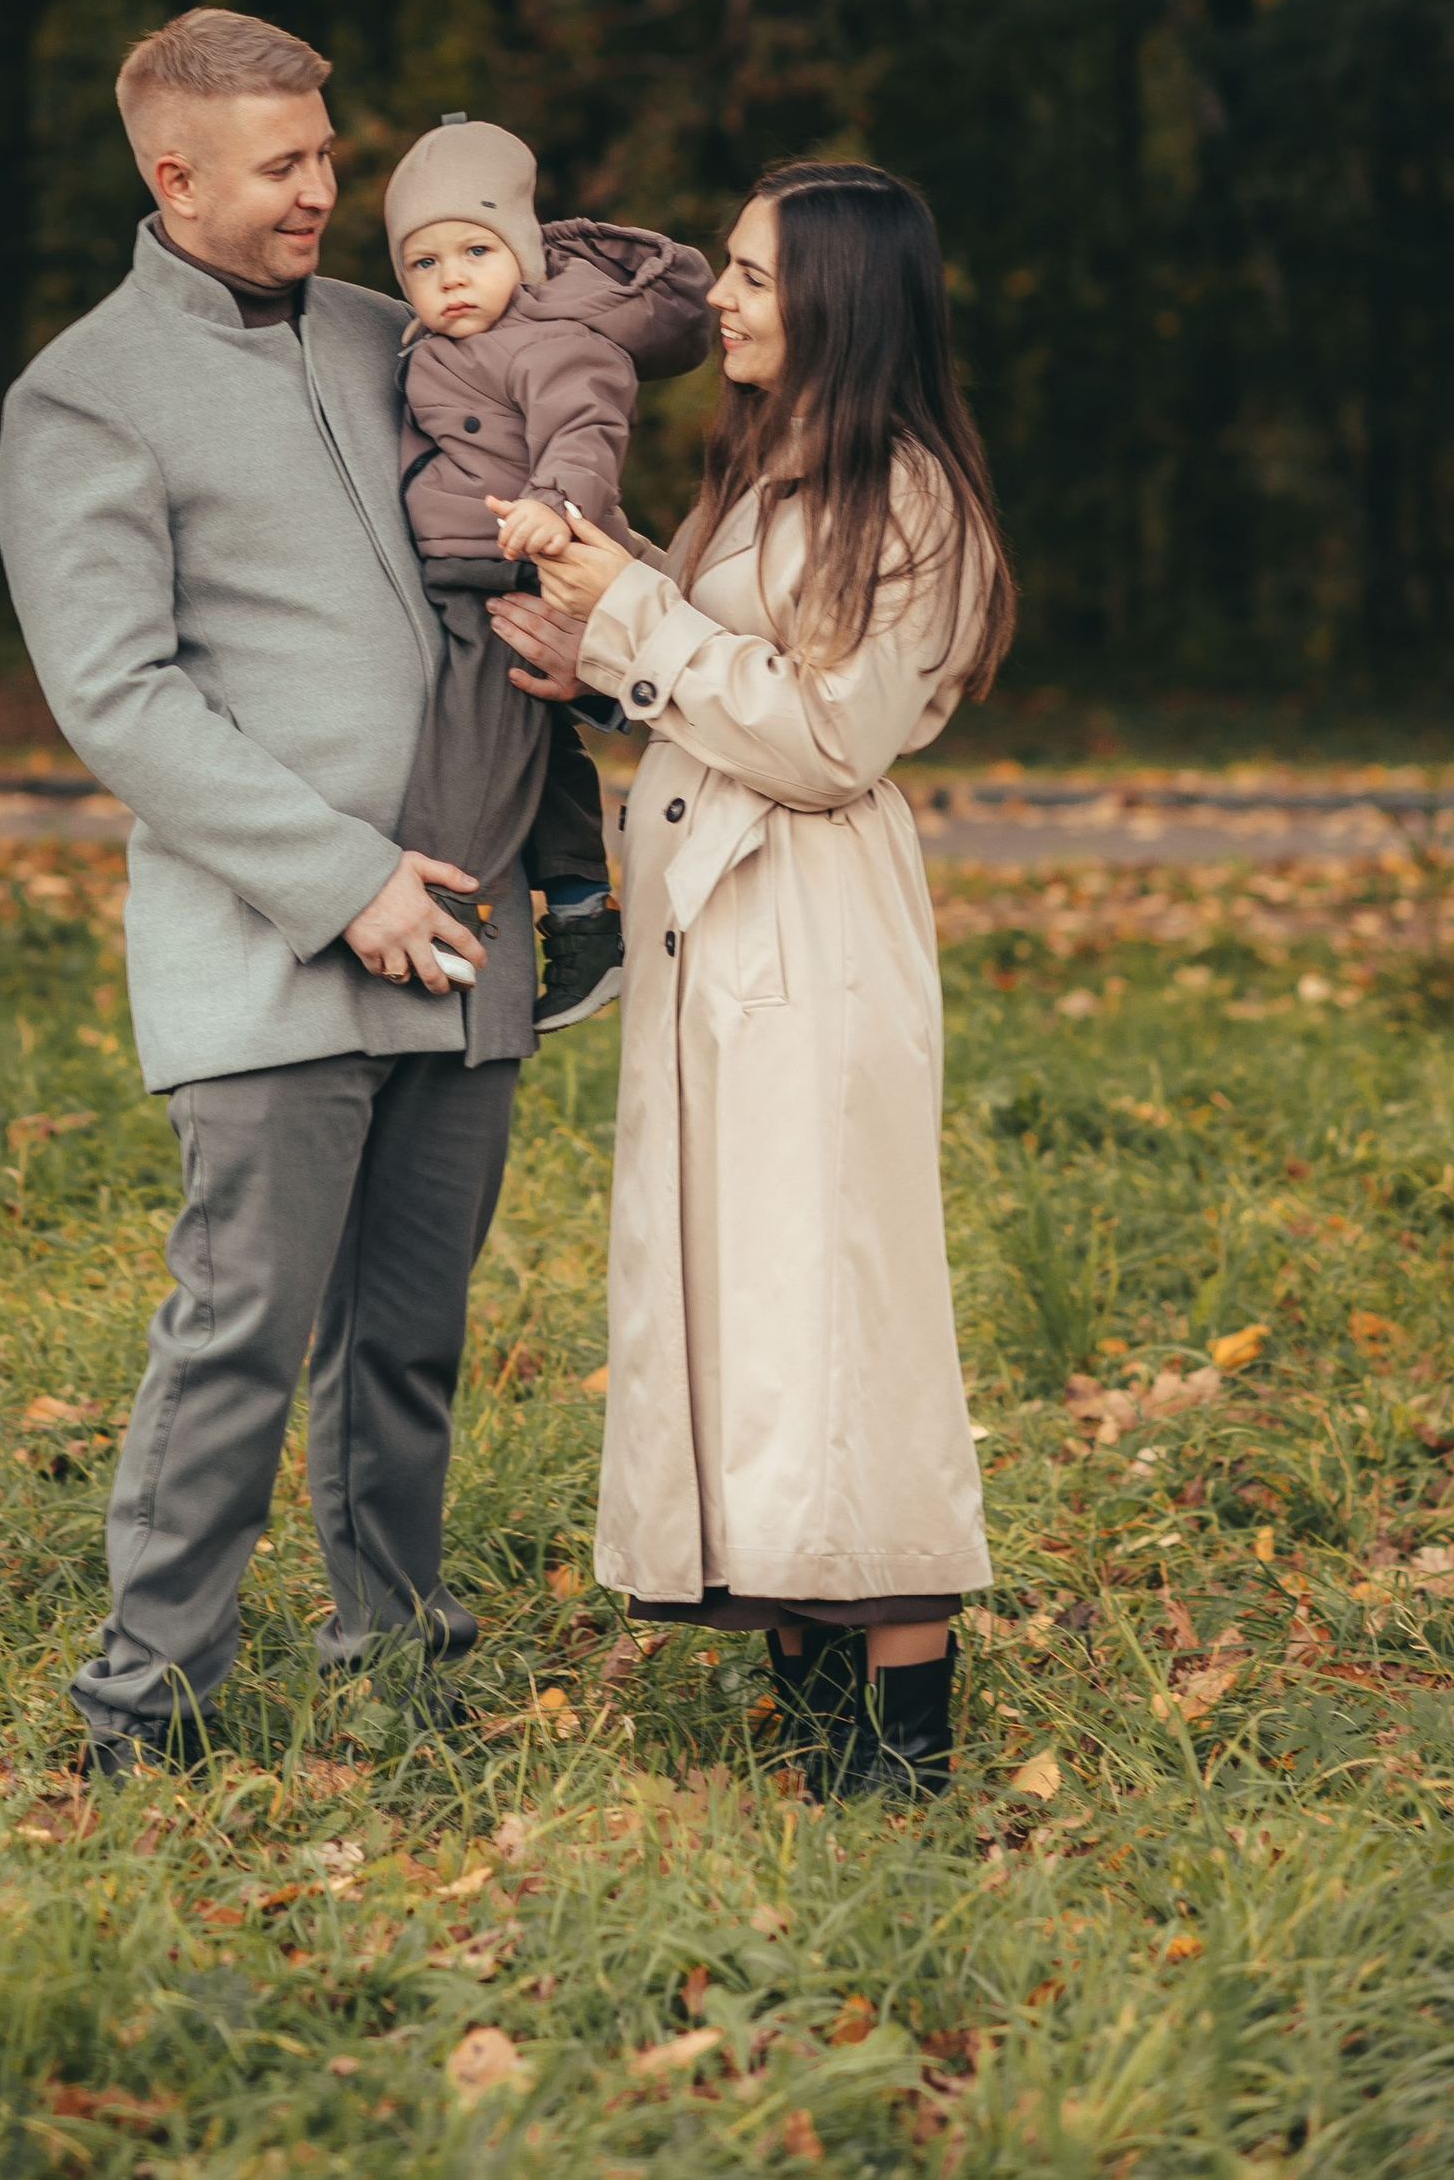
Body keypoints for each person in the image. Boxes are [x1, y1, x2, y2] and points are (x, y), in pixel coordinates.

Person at [0, 9, 533, 1774]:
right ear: (176, 178)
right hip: (272, 944)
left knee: (410, 1342)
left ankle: (402, 1661)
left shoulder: (402, 339)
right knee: (240, 1333)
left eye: (325, 152)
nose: (324, 191)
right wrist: (338, 879)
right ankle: (143, 1707)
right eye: (285, 166)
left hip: (465, 922)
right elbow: (118, 694)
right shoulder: (83, 394)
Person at [494, 160, 1014, 1800]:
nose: (717, 298)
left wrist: (630, 616)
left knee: (843, 1311)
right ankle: (807, 1695)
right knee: (755, 1307)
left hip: (815, 934)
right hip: (719, 933)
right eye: (725, 268)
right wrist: (595, 653)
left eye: (753, 276)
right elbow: (720, 686)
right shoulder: (768, 471)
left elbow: (826, 737)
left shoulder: (904, 495)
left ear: (841, 303)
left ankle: (900, 1734)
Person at [383, 110, 713, 1035]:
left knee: (465, 743)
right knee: (541, 754)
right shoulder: (432, 345)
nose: (451, 278)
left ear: (523, 255)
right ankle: (578, 914)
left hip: (524, 560)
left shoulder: (550, 336)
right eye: (423, 262)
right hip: (469, 567)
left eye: (475, 251)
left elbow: (588, 424)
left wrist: (554, 503)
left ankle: (445, 904)